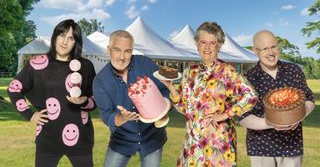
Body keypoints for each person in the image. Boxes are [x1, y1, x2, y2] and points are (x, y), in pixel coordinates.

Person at [160, 22, 258, 166]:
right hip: (193, 145)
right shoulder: (189, 72)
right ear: (197, 44)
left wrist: (225, 115)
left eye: (212, 43)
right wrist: (172, 88)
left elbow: (251, 96)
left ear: (219, 45)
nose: (207, 47)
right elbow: (185, 109)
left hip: (218, 145)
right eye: (203, 42)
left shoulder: (228, 71)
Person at [7, 19, 96, 167]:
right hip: (48, 137)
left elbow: (96, 98)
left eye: (71, 38)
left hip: (81, 138)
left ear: (76, 42)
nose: (65, 42)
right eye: (62, 35)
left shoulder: (85, 66)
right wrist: (30, 114)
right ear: (55, 36)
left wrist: (85, 102)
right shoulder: (37, 63)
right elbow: (13, 88)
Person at [92, 30, 170, 167]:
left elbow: (165, 90)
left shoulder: (145, 64)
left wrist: (160, 109)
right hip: (122, 140)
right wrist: (121, 118)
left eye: (127, 51)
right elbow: (106, 115)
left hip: (152, 137)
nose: (122, 57)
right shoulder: (100, 81)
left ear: (132, 51)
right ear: (108, 50)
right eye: (117, 50)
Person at [239, 30, 315, 167]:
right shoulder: (247, 78)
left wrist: (299, 116)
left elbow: (309, 99)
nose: (271, 52)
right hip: (260, 148)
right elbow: (242, 117)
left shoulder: (294, 70)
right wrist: (271, 123)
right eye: (265, 48)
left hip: (291, 146)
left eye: (273, 46)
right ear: (255, 50)